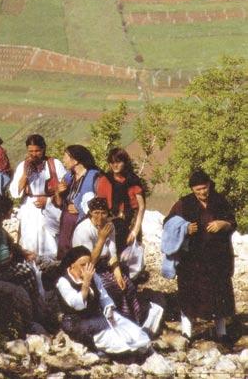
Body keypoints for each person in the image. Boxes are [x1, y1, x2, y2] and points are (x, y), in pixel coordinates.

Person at [163, 169, 236, 342]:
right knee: (189, 295)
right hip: (191, 259)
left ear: (209, 184)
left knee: (219, 294)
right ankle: (187, 332)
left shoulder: (220, 201)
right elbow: (168, 223)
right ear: (192, 190)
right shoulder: (184, 203)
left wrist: (223, 223)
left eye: (204, 188)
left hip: (217, 257)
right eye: (198, 190)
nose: (202, 192)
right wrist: (185, 228)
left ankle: (221, 333)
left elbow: (233, 222)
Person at [56, 245, 151, 354]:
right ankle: (122, 350)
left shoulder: (93, 275)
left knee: (121, 322)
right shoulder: (63, 282)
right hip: (76, 321)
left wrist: (109, 309)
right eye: (82, 265)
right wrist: (86, 283)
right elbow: (77, 304)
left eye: (88, 264)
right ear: (72, 265)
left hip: (95, 316)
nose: (86, 268)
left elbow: (103, 295)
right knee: (109, 335)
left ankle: (139, 344)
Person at [72, 197, 142, 324]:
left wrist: (118, 274)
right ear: (90, 213)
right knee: (111, 288)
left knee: (127, 285)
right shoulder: (84, 230)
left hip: (103, 266)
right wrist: (101, 239)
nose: (100, 217)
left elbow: (112, 253)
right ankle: (114, 322)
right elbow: (88, 263)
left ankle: (133, 321)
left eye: (103, 213)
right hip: (86, 269)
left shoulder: (109, 226)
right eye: (96, 213)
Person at [9, 134, 66, 259]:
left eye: (37, 151)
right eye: (31, 151)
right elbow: (15, 192)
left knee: (50, 241)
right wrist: (25, 173)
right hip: (29, 208)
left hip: (50, 207)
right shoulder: (23, 165)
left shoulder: (54, 164)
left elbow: (64, 187)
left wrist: (48, 200)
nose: (34, 154)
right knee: (29, 240)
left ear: (43, 149)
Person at [54, 145, 111, 260]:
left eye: (65, 157)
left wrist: (81, 209)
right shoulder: (68, 177)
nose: (63, 160)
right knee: (65, 251)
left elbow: (104, 204)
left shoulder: (97, 178)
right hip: (66, 220)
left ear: (75, 161)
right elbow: (59, 203)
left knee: (81, 252)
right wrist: (58, 192)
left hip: (84, 223)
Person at [97, 148, 145, 255]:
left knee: (130, 255)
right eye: (112, 162)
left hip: (131, 221)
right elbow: (100, 205)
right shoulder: (105, 180)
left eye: (118, 162)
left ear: (125, 162)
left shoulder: (133, 181)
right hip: (111, 222)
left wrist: (135, 231)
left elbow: (141, 207)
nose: (115, 165)